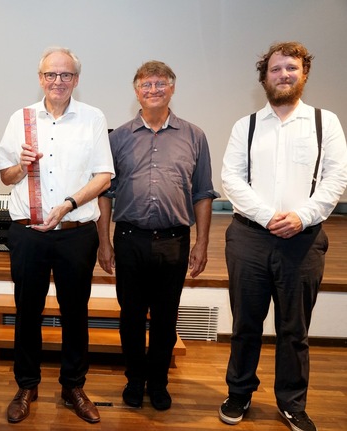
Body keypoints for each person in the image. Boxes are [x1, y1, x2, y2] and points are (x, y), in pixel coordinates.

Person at [219, 42, 347, 431]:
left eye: (291, 68)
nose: (283, 75)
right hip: (249, 239)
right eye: (275, 69)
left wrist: (301, 216)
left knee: (294, 329)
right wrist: (269, 216)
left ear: (303, 73)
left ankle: (292, 403)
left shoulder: (327, 123)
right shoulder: (247, 125)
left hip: (304, 241)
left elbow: (335, 180)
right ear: (264, 77)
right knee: (245, 324)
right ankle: (239, 394)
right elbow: (231, 179)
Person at [0, 46, 114, 424]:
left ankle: (73, 386)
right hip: (28, 233)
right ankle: (27, 385)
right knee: (27, 311)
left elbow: (103, 176)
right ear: (40, 78)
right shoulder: (22, 118)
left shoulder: (93, 118)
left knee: (75, 312)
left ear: (76, 80)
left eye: (65, 75)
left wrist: (68, 203)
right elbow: (6, 176)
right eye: (51, 75)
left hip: (75, 231)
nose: (58, 81)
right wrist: (21, 164)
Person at [97, 60, 218, 411]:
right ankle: (134, 381)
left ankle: (159, 383)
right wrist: (104, 241)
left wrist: (203, 243)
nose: (153, 90)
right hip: (129, 239)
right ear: (136, 91)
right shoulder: (118, 137)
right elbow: (105, 192)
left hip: (174, 241)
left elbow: (203, 193)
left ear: (172, 88)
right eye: (146, 85)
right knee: (131, 317)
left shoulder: (195, 136)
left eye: (160, 84)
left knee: (166, 318)